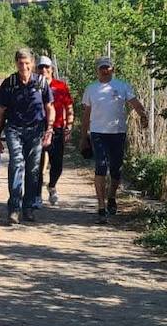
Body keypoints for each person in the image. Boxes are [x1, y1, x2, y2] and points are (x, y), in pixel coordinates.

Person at [79, 56, 149, 224]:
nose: (105, 70)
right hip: (98, 133)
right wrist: (83, 137)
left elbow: (134, 102)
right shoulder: (91, 89)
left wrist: (143, 115)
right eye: (102, 67)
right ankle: (101, 207)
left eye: (107, 67)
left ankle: (111, 197)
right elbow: (86, 114)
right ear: (97, 70)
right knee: (101, 166)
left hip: (118, 132)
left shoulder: (122, 86)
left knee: (116, 169)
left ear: (113, 69)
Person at [0, 49, 55, 225]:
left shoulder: (41, 82)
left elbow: (50, 107)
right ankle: (14, 208)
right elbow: (1, 110)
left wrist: (49, 130)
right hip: (14, 129)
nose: (24, 66)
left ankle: (28, 207)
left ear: (32, 64)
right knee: (16, 164)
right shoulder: (10, 83)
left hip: (36, 130)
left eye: (27, 63)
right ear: (16, 63)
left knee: (33, 169)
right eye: (21, 63)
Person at [39, 56, 75, 206]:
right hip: (38, 128)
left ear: (52, 69)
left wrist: (69, 127)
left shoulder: (60, 86)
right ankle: (36, 194)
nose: (44, 70)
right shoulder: (33, 85)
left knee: (57, 164)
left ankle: (52, 185)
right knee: (36, 163)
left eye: (47, 67)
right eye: (41, 67)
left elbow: (69, 107)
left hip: (57, 128)